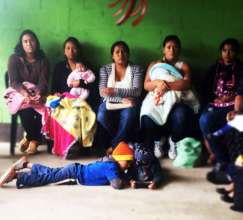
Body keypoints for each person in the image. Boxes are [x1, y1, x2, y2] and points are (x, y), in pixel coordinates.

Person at [140, 35, 199, 159]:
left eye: (175, 47)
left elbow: (186, 84)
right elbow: (146, 85)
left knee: (181, 114)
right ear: (163, 50)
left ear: (179, 50)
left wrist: (166, 84)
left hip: (177, 99)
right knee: (146, 115)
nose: (172, 50)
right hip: (157, 98)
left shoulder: (183, 66)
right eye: (169, 47)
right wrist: (157, 83)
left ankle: (174, 141)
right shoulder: (155, 64)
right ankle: (158, 141)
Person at [199, 38, 243, 184]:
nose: (228, 53)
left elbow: (240, 93)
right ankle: (221, 159)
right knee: (205, 120)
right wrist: (215, 98)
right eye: (224, 50)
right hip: (215, 104)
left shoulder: (241, 68)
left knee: (234, 123)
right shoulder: (214, 68)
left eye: (231, 50)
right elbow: (205, 89)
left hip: (233, 105)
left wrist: (234, 105)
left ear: (236, 53)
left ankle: (231, 163)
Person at [0, 142, 134, 190]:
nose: (128, 165)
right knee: (48, 178)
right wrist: (127, 182)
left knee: (51, 173)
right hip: (74, 175)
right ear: (120, 158)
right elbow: (116, 184)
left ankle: (26, 164)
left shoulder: (108, 162)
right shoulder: (112, 167)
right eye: (127, 161)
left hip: (75, 168)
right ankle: (19, 176)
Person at [97, 41, 143, 153]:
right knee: (101, 115)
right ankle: (124, 141)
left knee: (128, 116)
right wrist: (122, 99)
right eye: (117, 52)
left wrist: (113, 90)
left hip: (130, 104)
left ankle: (114, 146)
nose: (120, 54)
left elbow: (136, 91)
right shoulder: (105, 69)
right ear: (112, 55)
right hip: (112, 103)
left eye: (123, 52)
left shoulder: (137, 69)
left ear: (128, 54)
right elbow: (102, 93)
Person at [8, 29, 49, 154]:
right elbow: (14, 82)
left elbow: (43, 81)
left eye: (31, 40)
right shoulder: (14, 59)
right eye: (25, 41)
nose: (29, 44)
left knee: (43, 107)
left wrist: (38, 94)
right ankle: (35, 140)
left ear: (36, 42)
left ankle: (29, 138)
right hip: (20, 92)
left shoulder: (43, 60)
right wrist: (25, 94)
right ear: (21, 44)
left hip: (38, 92)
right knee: (26, 108)